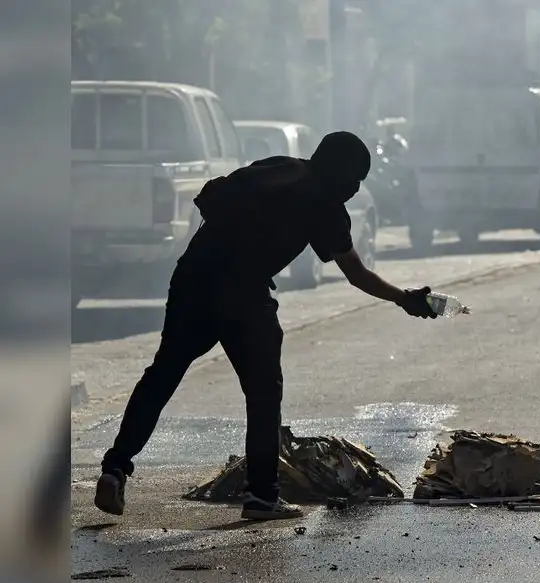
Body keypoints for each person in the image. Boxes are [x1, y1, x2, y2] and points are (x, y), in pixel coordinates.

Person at [94, 131, 437, 521]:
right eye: (355, 180)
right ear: (340, 173)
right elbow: (356, 273)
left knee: (163, 374)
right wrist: (404, 298)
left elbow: (211, 200)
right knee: (263, 392)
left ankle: (116, 467)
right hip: (243, 294)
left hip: (193, 277)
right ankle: (262, 496)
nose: (356, 190)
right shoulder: (323, 202)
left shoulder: (279, 168)